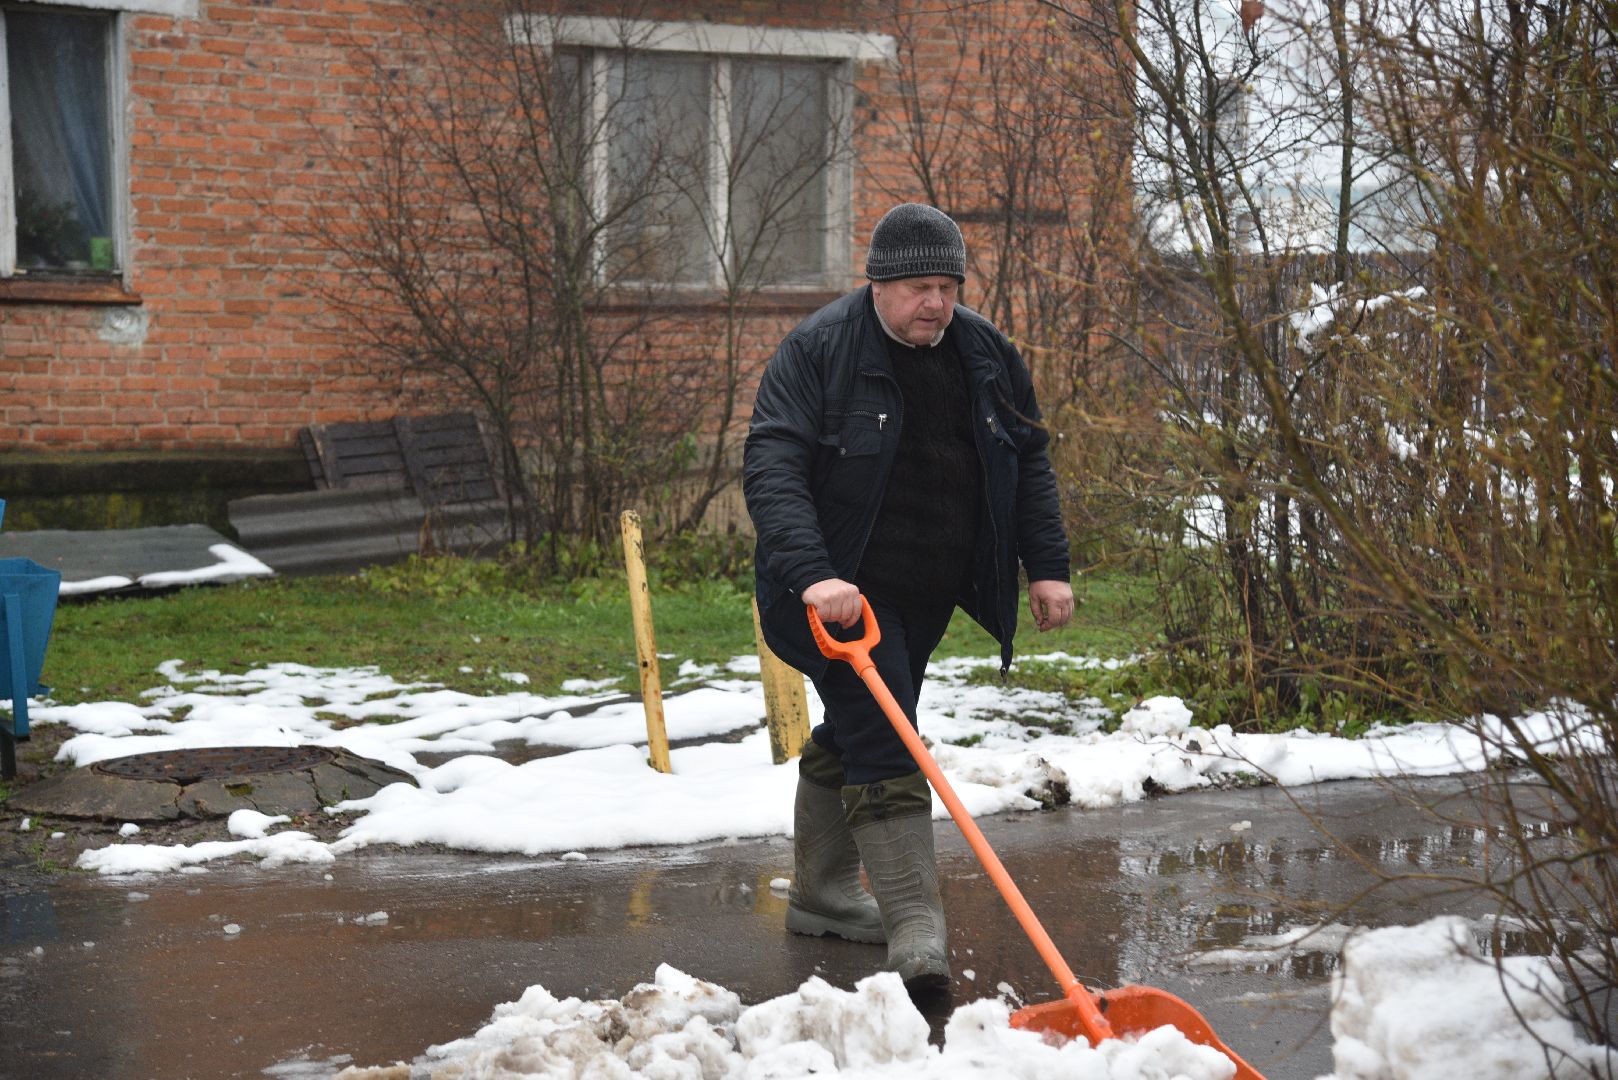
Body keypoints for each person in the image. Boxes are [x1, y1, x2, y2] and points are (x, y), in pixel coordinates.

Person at [743, 203, 1074, 992]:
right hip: (828, 594)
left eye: (947, 285)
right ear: (880, 285)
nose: (936, 301)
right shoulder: (820, 350)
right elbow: (774, 467)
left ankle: (821, 895)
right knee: (889, 741)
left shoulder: (985, 351)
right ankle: (916, 929)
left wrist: (1047, 564)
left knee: (863, 722)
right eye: (919, 286)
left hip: (923, 591)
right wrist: (815, 575)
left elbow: (1027, 457)